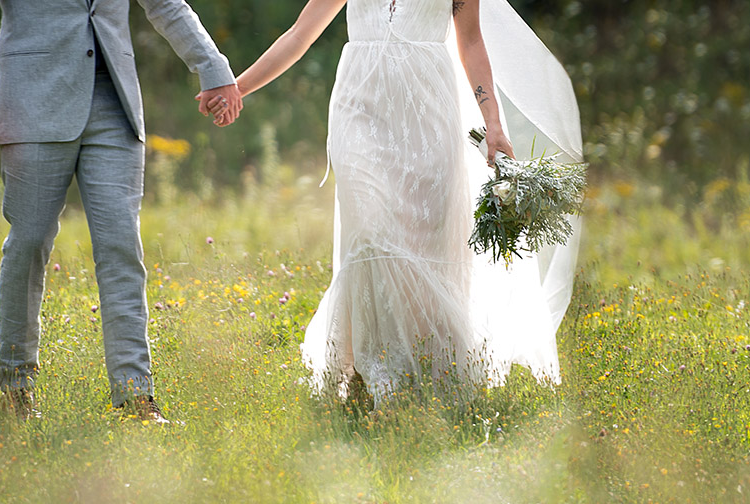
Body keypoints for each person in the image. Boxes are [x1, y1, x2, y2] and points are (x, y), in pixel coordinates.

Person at [206, 0, 583, 408]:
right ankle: (372, 371)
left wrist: (492, 122)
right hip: (359, 108)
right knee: (369, 235)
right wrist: (237, 87)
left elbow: (471, 41)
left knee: (425, 245)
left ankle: (425, 370)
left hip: (429, 112)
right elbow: (300, 34)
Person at [0, 0, 242, 422]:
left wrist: (212, 68)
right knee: (28, 246)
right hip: (32, 101)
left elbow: (165, 3)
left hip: (114, 105)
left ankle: (136, 397)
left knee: (121, 245)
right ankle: (17, 392)